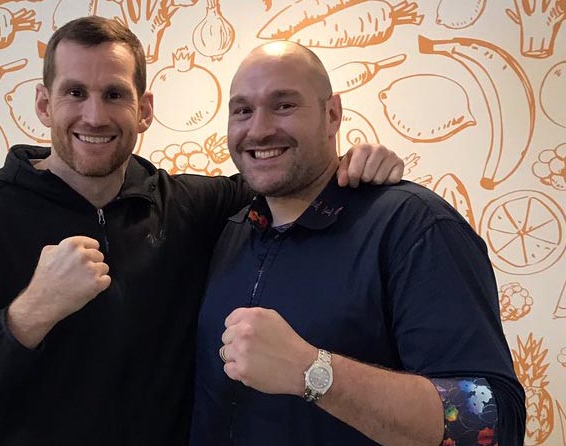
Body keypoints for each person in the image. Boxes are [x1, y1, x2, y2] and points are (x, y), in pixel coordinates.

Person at [0, 17, 405, 446]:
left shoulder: (188, 206)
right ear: (45, 104)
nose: (95, 115)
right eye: (75, 93)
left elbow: (276, 172)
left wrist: (350, 164)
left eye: (115, 94)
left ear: (145, 110)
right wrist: (28, 316)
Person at [190, 41, 526, 446]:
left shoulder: (413, 225)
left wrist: (312, 370)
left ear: (332, 114)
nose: (259, 129)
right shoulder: (229, 229)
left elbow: (492, 422)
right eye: (242, 110)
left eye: (284, 105)